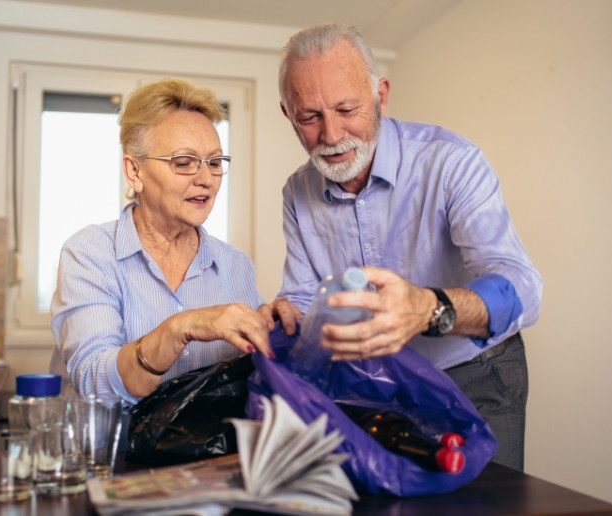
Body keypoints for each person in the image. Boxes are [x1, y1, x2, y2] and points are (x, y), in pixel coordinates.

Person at [269, 23, 543, 471]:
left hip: (476, 377)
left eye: (346, 108)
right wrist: (283, 314)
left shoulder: (452, 162)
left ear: (381, 94)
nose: (333, 134)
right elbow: (304, 296)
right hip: (374, 385)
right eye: (309, 117)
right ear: (288, 114)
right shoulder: (296, 192)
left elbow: (525, 289)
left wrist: (430, 308)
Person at [50, 78, 278, 408]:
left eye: (214, 163)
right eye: (183, 162)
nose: (205, 179)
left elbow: (260, 375)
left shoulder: (236, 266)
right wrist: (181, 328)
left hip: (205, 458)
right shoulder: (90, 253)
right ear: (134, 172)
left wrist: (293, 333)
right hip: (113, 459)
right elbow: (94, 385)